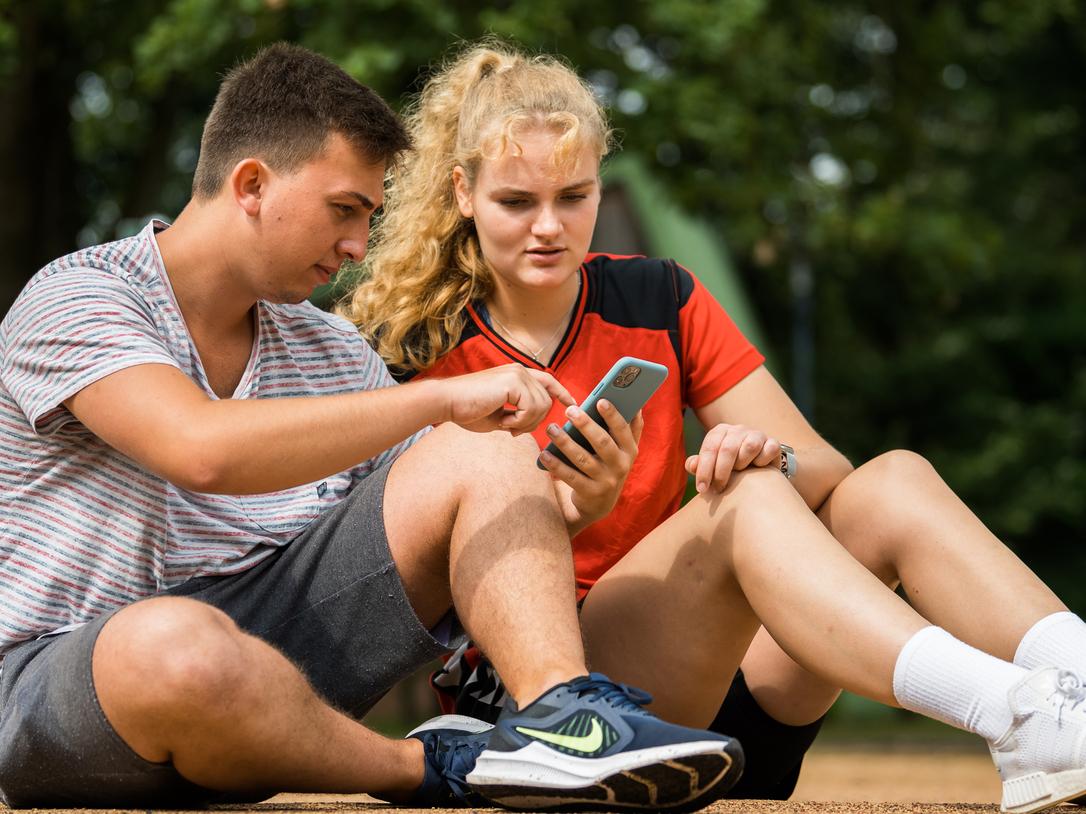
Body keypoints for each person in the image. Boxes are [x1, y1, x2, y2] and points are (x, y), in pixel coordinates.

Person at [0, 42, 748, 812]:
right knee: (176, 646)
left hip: (281, 669)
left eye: (369, 217)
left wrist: (573, 504)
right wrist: (437, 400)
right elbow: (201, 451)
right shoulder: (79, 297)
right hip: (72, 680)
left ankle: (563, 723)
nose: (358, 247)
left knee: (480, 451)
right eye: (344, 210)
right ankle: (433, 767)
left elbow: (464, 510)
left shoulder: (328, 347)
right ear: (252, 184)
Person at [346, 41, 1086, 813]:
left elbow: (825, 468)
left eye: (575, 195)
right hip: (555, 718)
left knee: (888, 479)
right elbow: (398, 578)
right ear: (463, 193)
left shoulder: (655, 295)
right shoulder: (413, 349)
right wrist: (573, 514)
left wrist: (763, 455)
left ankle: (1078, 696)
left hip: (721, 685)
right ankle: (1017, 715)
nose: (549, 227)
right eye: (517, 202)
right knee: (746, 504)